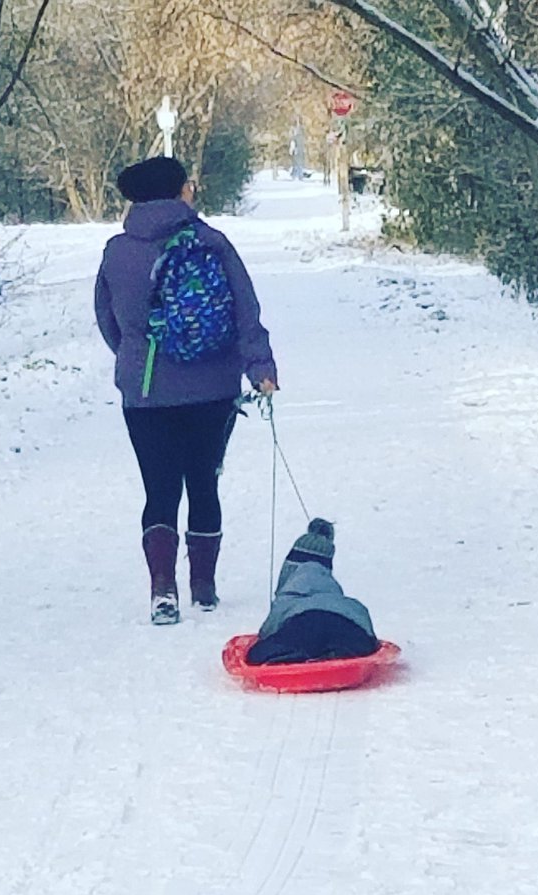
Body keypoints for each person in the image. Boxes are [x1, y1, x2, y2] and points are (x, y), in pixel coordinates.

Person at [94, 155, 278, 625]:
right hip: (213, 387)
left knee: (159, 488)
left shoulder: (117, 252)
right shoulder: (213, 243)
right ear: (180, 192)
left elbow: (108, 320)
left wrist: (136, 356)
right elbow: (245, 309)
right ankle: (205, 586)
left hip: (147, 391)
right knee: (203, 482)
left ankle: (162, 591)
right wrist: (259, 366)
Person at [246, 519, 379, 665]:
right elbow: (364, 621)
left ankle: (295, 656)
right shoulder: (339, 597)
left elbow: (267, 631)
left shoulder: (288, 598)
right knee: (354, 644)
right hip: (348, 626)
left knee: (256, 655)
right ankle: (339, 652)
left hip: (303, 624)